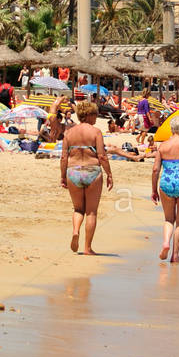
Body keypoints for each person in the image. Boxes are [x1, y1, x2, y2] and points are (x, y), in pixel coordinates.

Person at [61, 100, 112, 254]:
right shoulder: (95, 132)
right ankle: (87, 248)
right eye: (95, 114)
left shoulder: (69, 133)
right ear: (89, 115)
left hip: (73, 171)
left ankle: (76, 231)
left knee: (78, 209)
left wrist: (63, 176)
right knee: (91, 212)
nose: (96, 117)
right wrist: (109, 173)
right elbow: (102, 156)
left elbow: (64, 157)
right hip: (92, 171)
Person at [151, 115, 179, 262]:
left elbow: (155, 170)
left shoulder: (163, 146)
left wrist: (153, 190)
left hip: (166, 182)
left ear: (172, 129)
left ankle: (165, 243)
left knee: (168, 219)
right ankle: (175, 255)